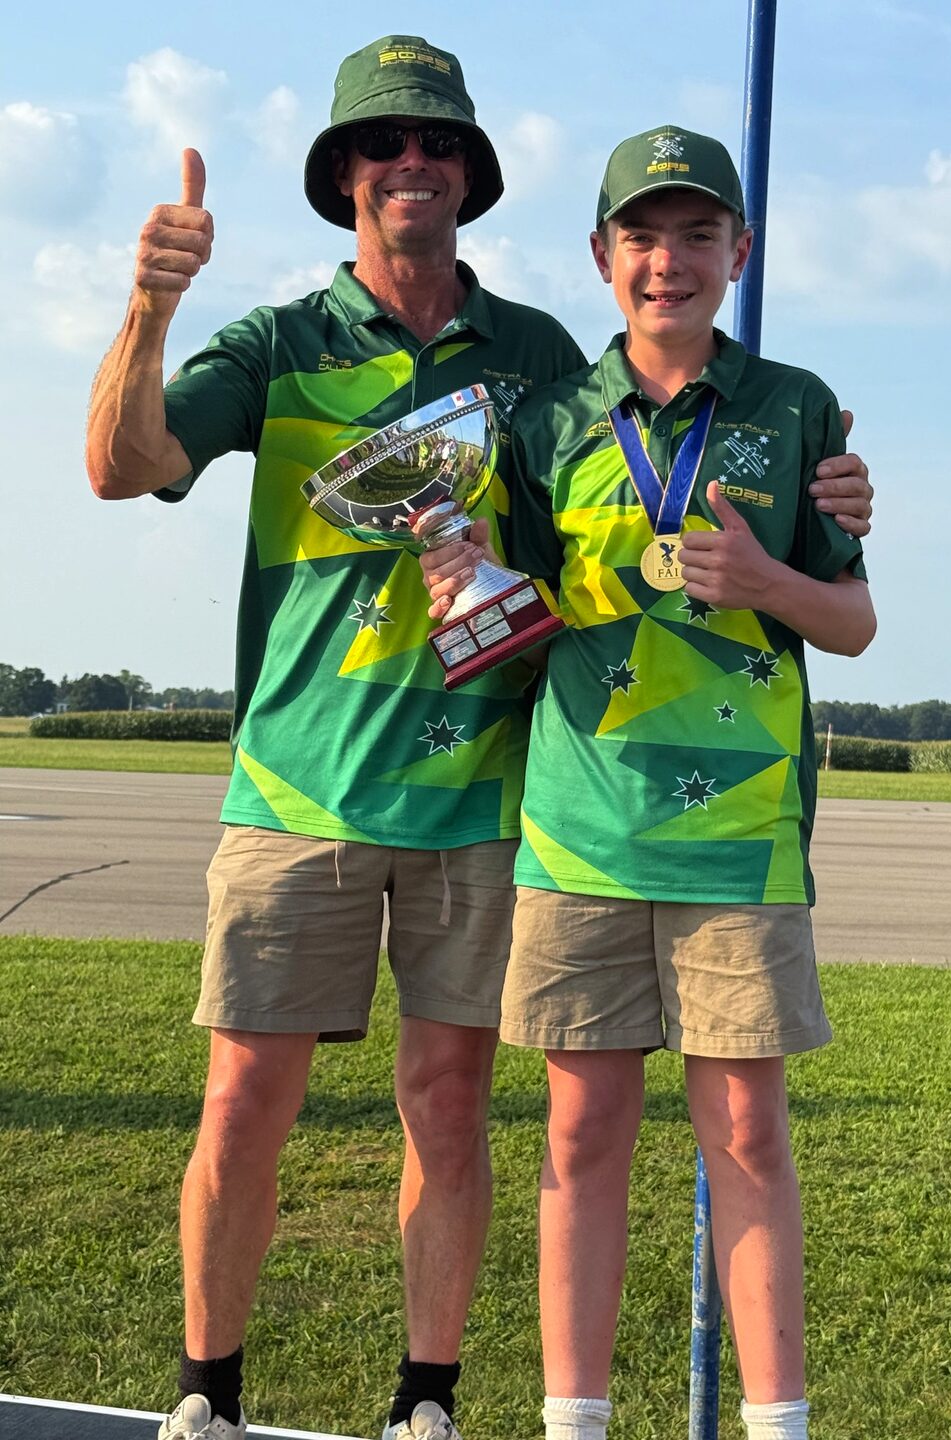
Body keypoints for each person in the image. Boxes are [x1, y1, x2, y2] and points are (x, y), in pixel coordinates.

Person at [84, 28, 874, 1440]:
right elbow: (122, 466)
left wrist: (817, 483)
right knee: (244, 1102)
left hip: (487, 796)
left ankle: (427, 1401)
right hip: (297, 784)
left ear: (472, 173)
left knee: (449, 1105)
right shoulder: (278, 342)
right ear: (343, 172)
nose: (414, 161)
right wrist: (150, 307)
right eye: (385, 141)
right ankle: (208, 1395)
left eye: (439, 141)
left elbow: (592, 539)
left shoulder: (540, 360)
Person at [424, 126, 876, 1440]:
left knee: (748, 1136)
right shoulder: (553, 421)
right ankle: (575, 1424)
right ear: (599, 255)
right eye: (642, 235)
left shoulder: (797, 408)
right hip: (580, 832)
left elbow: (852, 624)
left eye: (696, 234)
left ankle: (778, 1425)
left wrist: (769, 581)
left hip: (741, 838)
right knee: (580, 1139)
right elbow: (512, 634)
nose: (667, 260)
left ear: (742, 251)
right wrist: (465, 586)